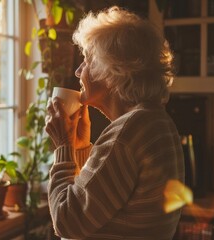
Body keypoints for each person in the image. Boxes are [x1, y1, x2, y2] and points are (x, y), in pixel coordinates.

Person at [44, 6, 185, 240]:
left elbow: (67, 222)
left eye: (87, 60)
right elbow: (96, 210)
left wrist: (62, 149)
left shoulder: (127, 133)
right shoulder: (155, 122)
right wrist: (78, 148)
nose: (78, 72)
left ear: (113, 70)